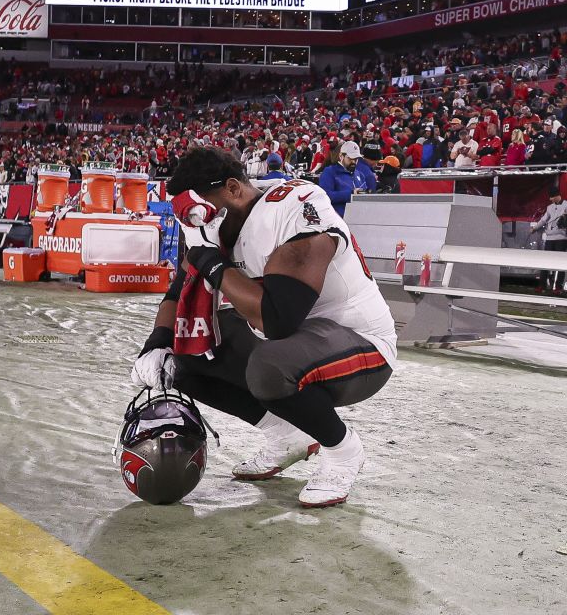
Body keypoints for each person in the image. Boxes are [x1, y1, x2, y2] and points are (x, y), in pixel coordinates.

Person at [129, 147, 395, 507]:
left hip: (360, 345)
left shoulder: (295, 207)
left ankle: (343, 449)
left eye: (198, 210)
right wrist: (157, 342)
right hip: (295, 342)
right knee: (182, 355)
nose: (196, 223)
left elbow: (276, 320)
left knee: (269, 367)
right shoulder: (211, 220)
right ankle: (287, 436)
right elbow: (182, 287)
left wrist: (214, 266)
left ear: (234, 189)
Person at [530, 184, 567, 294]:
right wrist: (535, 228)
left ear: (556, 195)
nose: (550, 199)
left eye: (551, 197)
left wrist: (566, 218)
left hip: (561, 238)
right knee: (546, 262)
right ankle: (542, 285)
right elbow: (544, 220)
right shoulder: (550, 207)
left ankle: (558, 287)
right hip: (550, 237)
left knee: (560, 262)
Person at [317, 140, 359, 217]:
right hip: (338, 220)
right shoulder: (329, 172)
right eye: (350, 158)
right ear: (341, 156)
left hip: (358, 217)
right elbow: (325, 196)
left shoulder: (359, 174)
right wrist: (351, 194)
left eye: (356, 159)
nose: (353, 162)